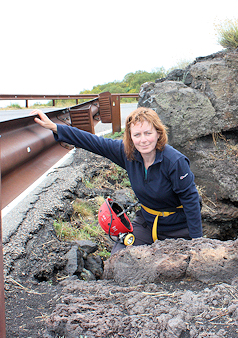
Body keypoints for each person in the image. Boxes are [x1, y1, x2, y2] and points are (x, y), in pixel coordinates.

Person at [32, 107, 202, 254]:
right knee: (120, 256)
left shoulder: (175, 161)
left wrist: (197, 242)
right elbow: (93, 142)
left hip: (177, 226)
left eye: (148, 133)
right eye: (137, 134)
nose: (143, 140)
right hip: (147, 221)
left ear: (158, 133)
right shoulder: (127, 153)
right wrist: (55, 127)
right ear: (130, 136)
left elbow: (190, 200)